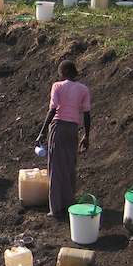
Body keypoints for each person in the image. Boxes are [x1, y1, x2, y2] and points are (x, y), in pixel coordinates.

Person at [36, 60, 91, 218]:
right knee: (69, 164)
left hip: (58, 128)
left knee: (55, 167)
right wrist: (86, 135)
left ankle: (55, 208)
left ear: (63, 72)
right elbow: (87, 113)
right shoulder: (83, 89)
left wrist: (41, 132)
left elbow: (53, 109)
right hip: (73, 129)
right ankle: (69, 202)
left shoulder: (57, 86)